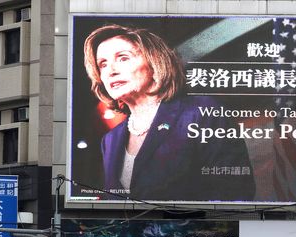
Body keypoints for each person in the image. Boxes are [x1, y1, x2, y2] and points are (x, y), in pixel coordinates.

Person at [83, 24, 256, 202]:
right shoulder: (110, 140)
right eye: (102, 64)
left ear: (154, 63)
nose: (111, 71)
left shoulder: (201, 112)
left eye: (123, 58)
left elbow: (235, 192)